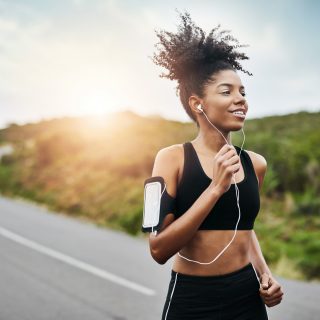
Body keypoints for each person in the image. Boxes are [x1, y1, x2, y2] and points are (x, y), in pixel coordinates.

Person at [148, 10, 284, 320]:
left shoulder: (255, 164)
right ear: (198, 103)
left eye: (243, 92)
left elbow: (244, 230)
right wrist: (215, 188)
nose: (241, 99)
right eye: (227, 91)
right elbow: (158, 250)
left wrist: (265, 274)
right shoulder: (171, 158)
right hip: (192, 299)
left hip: (247, 295)